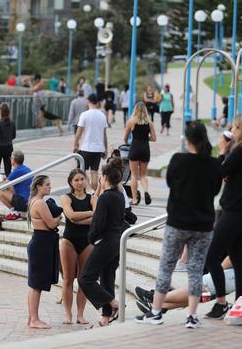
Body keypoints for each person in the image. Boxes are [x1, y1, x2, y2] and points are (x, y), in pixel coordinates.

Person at [137, 122, 222, 328]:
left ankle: (156, 312)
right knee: (195, 270)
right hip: (203, 225)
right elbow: (216, 189)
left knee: (166, 266)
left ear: (187, 140)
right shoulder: (214, 165)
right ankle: (192, 317)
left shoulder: (178, 160)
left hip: (178, 222)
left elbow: (170, 183)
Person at [204, 113, 242, 319]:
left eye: (236, 127)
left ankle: (221, 302)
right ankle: (241, 304)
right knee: (238, 260)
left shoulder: (241, 152)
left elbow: (219, 172)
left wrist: (222, 151)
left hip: (233, 213)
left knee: (211, 256)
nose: (233, 130)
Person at [78, 162, 124, 328]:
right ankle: (105, 317)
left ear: (104, 178)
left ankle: (113, 303)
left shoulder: (105, 197)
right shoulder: (119, 195)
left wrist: (91, 238)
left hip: (106, 241)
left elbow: (98, 223)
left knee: (85, 278)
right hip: (117, 241)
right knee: (107, 278)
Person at [59, 169, 96, 325]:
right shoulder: (65, 197)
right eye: (76, 180)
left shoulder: (92, 198)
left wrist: (80, 219)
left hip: (87, 242)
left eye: (82, 179)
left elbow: (98, 217)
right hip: (69, 241)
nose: (80, 182)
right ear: (70, 182)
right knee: (68, 279)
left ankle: (80, 314)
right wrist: (90, 213)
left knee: (83, 279)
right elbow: (71, 215)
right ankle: (68, 314)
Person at [26, 175, 61, 329]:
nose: (49, 187)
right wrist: (60, 216)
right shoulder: (39, 203)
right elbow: (52, 223)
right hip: (41, 243)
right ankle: (34, 319)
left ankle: (31, 318)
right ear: (39, 187)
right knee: (37, 284)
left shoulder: (34, 200)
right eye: (47, 184)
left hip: (42, 242)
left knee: (36, 283)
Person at [73, 94, 108, 192]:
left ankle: (88, 191)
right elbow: (104, 134)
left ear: (88, 102)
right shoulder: (102, 115)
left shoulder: (84, 115)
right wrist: (106, 149)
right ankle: (94, 194)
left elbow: (79, 132)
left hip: (86, 147)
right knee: (94, 173)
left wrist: (75, 145)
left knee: (82, 172)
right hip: (98, 149)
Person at [124, 103, 156, 205]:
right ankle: (146, 191)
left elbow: (125, 138)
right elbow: (154, 138)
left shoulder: (131, 121)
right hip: (145, 148)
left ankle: (134, 199)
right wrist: (146, 138)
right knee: (143, 175)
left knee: (134, 175)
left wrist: (128, 142)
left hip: (135, 148)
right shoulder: (149, 123)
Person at [0, 150, 32, 220]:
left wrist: (2, 181)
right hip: (28, 201)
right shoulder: (26, 169)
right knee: (9, 186)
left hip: (24, 203)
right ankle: (15, 211)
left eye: (11, 157)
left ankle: (14, 212)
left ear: (14, 160)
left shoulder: (16, 171)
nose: (10, 159)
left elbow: (3, 186)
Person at [0, 103, 17, 189]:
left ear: (0, 112)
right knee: (8, 171)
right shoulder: (12, 122)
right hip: (8, 147)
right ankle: (8, 189)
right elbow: (14, 136)